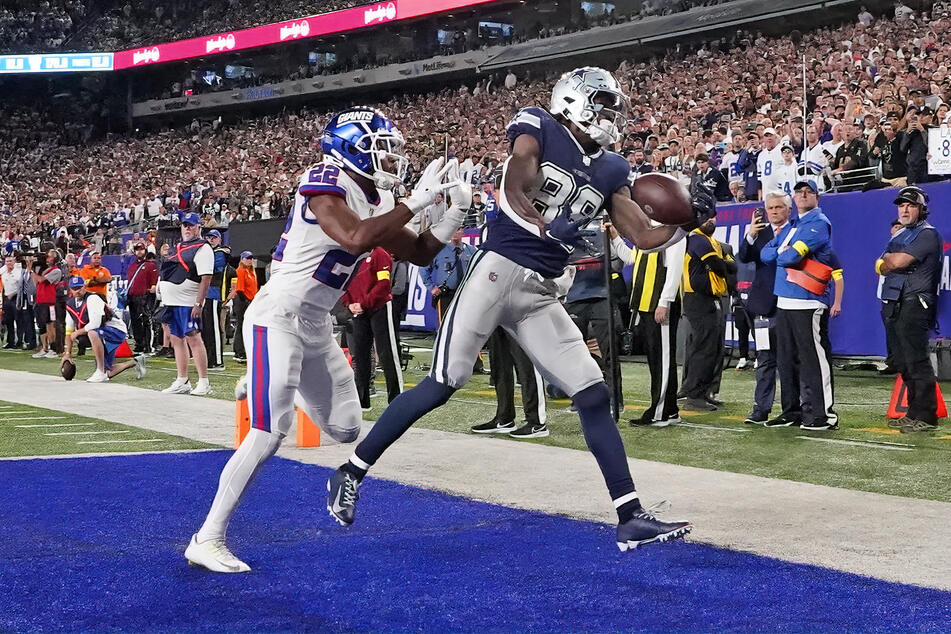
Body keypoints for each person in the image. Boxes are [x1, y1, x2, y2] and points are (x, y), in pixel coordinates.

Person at [327, 68, 693, 552]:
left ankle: (629, 516)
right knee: (442, 384)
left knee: (592, 392)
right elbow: (515, 186)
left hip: (540, 292)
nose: (609, 115)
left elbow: (644, 236)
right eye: (601, 104)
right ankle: (351, 471)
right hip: (497, 272)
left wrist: (689, 218)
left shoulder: (612, 169)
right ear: (573, 100)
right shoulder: (538, 126)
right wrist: (545, 228)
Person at [186, 106, 468, 573]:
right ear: (348, 148)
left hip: (316, 325)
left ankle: (274, 379)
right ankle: (208, 537)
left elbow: (417, 252)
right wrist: (416, 203)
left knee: (345, 429)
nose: (390, 159)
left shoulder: (376, 197)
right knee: (266, 433)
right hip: (276, 316)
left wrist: (455, 210)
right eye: (381, 149)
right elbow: (354, 238)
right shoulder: (324, 177)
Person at [760, 179, 839, 430]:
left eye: (808, 192)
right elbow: (765, 254)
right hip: (785, 300)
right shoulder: (793, 225)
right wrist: (784, 251)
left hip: (808, 301)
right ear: (793, 198)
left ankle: (822, 414)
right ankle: (792, 411)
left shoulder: (818, 223)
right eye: (799, 192)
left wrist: (782, 251)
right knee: (786, 359)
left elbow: (791, 257)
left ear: (817, 197)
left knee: (813, 359)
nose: (803, 195)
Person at [611, 209, 690, 427]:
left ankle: (660, 411)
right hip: (647, 303)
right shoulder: (647, 233)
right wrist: (614, 237)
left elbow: (674, 269)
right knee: (657, 359)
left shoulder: (674, 231)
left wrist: (664, 302)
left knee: (663, 359)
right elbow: (631, 259)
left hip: (658, 304)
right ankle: (669, 409)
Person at [877, 186, 943, 433]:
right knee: (902, 361)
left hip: (915, 300)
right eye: (901, 205)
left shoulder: (927, 234)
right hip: (895, 299)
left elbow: (893, 261)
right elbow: (883, 264)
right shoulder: (900, 235)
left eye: (911, 205)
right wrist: (888, 262)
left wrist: (889, 262)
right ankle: (915, 412)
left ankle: (926, 416)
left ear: (922, 209)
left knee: (916, 360)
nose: (904, 209)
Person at [738, 193, 799, 425]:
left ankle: (790, 410)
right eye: (770, 207)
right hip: (763, 306)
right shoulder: (760, 232)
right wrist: (750, 235)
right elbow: (743, 257)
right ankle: (760, 409)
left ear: (788, 210)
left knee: (789, 359)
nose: (774, 211)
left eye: (779, 207)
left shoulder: (796, 231)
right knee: (764, 359)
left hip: (789, 302)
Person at [158, 212, 214, 396]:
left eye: (191, 225)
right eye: (185, 225)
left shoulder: (203, 248)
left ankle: (204, 382)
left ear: (199, 227)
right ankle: (182, 379)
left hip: (188, 302)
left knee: (194, 338)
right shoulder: (178, 246)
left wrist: (199, 303)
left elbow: (206, 278)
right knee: (175, 338)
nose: (187, 228)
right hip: (172, 302)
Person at [341, 246, 403, 409]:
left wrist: (363, 303)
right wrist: (349, 303)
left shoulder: (380, 254)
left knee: (387, 353)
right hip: (359, 311)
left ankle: (396, 400)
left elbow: (384, 284)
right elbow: (343, 282)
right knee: (360, 356)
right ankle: (362, 400)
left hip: (379, 308)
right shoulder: (350, 256)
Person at [679, 210, 729, 412]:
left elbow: (728, 267)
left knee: (711, 348)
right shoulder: (698, 240)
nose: (711, 220)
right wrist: (721, 264)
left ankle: (700, 391)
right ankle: (695, 395)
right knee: (704, 348)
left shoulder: (707, 241)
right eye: (706, 216)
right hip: (698, 299)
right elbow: (721, 267)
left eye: (713, 216)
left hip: (708, 298)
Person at [61, 276, 146, 383]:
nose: (77, 291)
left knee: (92, 332)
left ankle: (100, 370)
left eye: (79, 287)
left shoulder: (92, 298)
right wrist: (67, 353)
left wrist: (78, 332)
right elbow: (69, 330)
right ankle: (135, 362)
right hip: (103, 332)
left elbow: (95, 324)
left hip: (115, 329)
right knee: (108, 373)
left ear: (84, 287)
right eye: (74, 288)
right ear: (70, 289)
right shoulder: (70, 305)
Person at [470, 327, 548, 438]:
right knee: (499, 362)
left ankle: (537, 422)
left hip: (520, 314)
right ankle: (504, 418)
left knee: (527, 362)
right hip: (495, 313)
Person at [420, 228, 476, 321]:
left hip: (465, 294)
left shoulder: (471, 251)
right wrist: (431, 287)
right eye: (453, 229)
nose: (455, 232)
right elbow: (423, 267)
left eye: (458, 229)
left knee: (465, 323)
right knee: (444, 322)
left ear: (462, 232)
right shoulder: (439, 251)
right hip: (446, 294)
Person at [201, 230, 230, 370]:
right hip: (207, 294)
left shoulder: (220, 254)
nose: (211, 240)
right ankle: (210, 359)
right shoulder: (211, 253)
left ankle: (218, 360)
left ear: (219, 239)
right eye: (209, 238)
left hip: (214, 294)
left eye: (214, 238)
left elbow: (213, 269)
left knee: (214, 328)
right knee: (207, 328)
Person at [125, 242, 159, 354]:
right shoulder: (132, 266)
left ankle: (148, 345)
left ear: (145, 251)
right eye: (137, 250)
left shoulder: (151, 265)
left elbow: (154, 281)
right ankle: (139, 343)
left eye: (141, 249)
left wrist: (152, 290)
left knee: (146, 321)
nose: (139, 251)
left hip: (145, 296)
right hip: (133, 296)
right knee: (135, 322)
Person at [30, 250, 62, 358]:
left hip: (49, 302)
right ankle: (44, 348)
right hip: (39, 300)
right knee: (41, 325)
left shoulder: (56, 271)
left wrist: (31, 270)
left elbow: (42, 280)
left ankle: (53, 348)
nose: (47, 258)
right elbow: (36, 283)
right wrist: (33, 269)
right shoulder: (44, 270)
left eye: (50, 257)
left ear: (55, 259)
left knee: (50, 324)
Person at [226, 251, 257, 363]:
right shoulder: (240, 271)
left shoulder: (251, 271)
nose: (249, 260)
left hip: (249, 300)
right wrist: (246, 301)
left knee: (244, 325)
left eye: (251, 258)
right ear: (242, 259)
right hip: (242, 300)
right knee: (241, 325)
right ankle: (239, 351)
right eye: (247, 258)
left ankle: (240, 349)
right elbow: (240, 289)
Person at [1, 255, 21, 348]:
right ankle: (10, 341)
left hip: (15, 298)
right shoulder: (3, 272)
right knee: (8, 321)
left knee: (18, 321)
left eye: (10, 261)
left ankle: (20, 341)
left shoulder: (18, 272)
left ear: (14, 262)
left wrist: (12, 294)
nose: (9, 263)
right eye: (7, 261)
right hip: (6, 299)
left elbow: (21, 287)